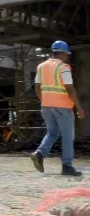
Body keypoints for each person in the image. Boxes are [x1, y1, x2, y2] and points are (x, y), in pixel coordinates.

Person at [30, 40, 85, 176]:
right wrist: (79, 107)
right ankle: (67, 166)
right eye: (66, 55)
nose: (67, 57)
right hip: (63, 107)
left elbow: (37, 87)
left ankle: (39, 153)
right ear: (63, 54)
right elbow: (70, 89)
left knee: (52, 132)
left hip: (46, 106)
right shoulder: (63, 67)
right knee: (67, 136)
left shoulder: (41, 67)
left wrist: (45, 101)